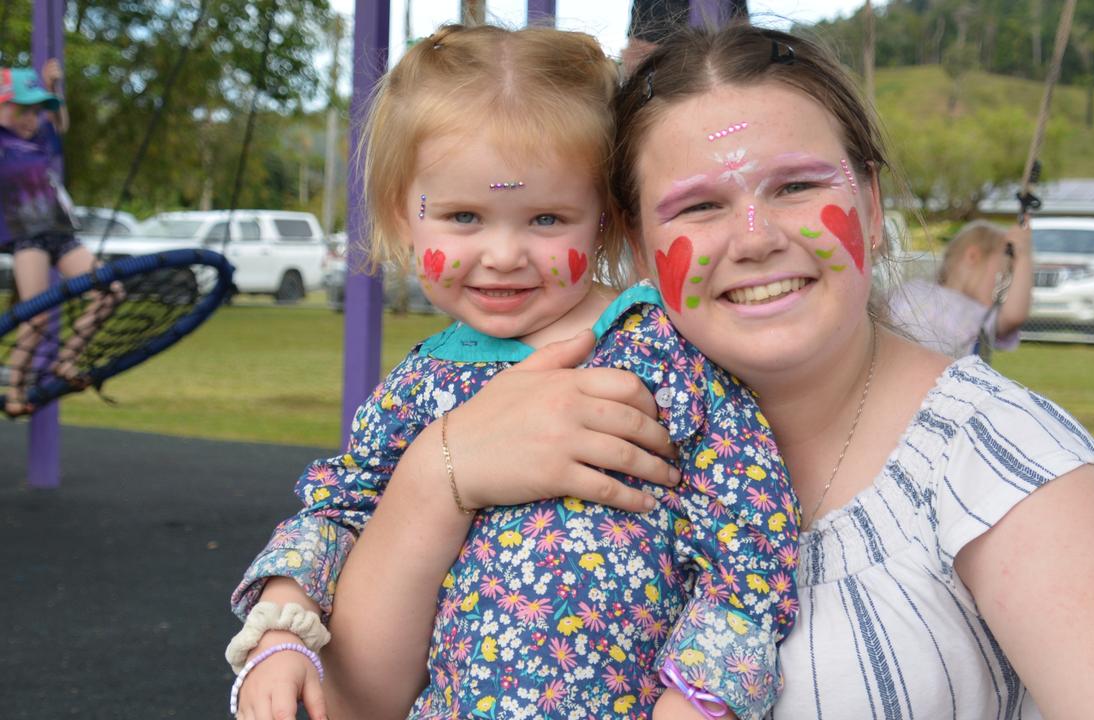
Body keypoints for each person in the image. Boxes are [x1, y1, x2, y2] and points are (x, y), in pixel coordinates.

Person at [226, 24, 800, 720]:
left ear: (605, 222)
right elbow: (340, 509)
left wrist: (703, 696)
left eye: (547, 218)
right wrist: (282, 629)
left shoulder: (661, 350)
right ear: (402, 218)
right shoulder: (419, 386)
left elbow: (751, 529)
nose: (503, 254)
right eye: (465, 216)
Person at [0, 60, 121, 416]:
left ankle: (65, 361)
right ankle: (17, 392)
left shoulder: (41, 140)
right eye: (21, 110)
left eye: (34, 112)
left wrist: (53, 90)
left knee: (111, 292)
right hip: (27, 238)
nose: (30, 119)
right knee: (36, 317)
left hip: (60, 233)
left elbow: (60, 121)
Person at [888, 218, 1033, 359]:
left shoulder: (911, 290)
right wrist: (1024, 257)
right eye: (1002, 275)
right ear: (973, 257)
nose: (1005, 286)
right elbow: (1013, 316)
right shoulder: (972, 313)